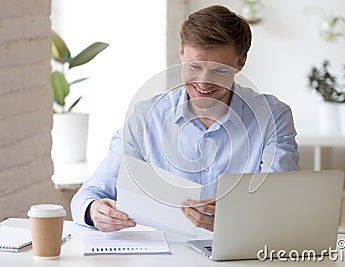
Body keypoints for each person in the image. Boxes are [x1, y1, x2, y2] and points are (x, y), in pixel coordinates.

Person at [71, 5, 299, 232]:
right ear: (181, 53)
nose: (203, 82)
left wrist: (233, 218)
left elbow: (276, 204)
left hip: (241, 254)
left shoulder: (273, 117)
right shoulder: (145, 119)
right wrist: (95, 211)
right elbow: (89, 195)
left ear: (241, 63)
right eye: (194, 66)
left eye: (218, 71)